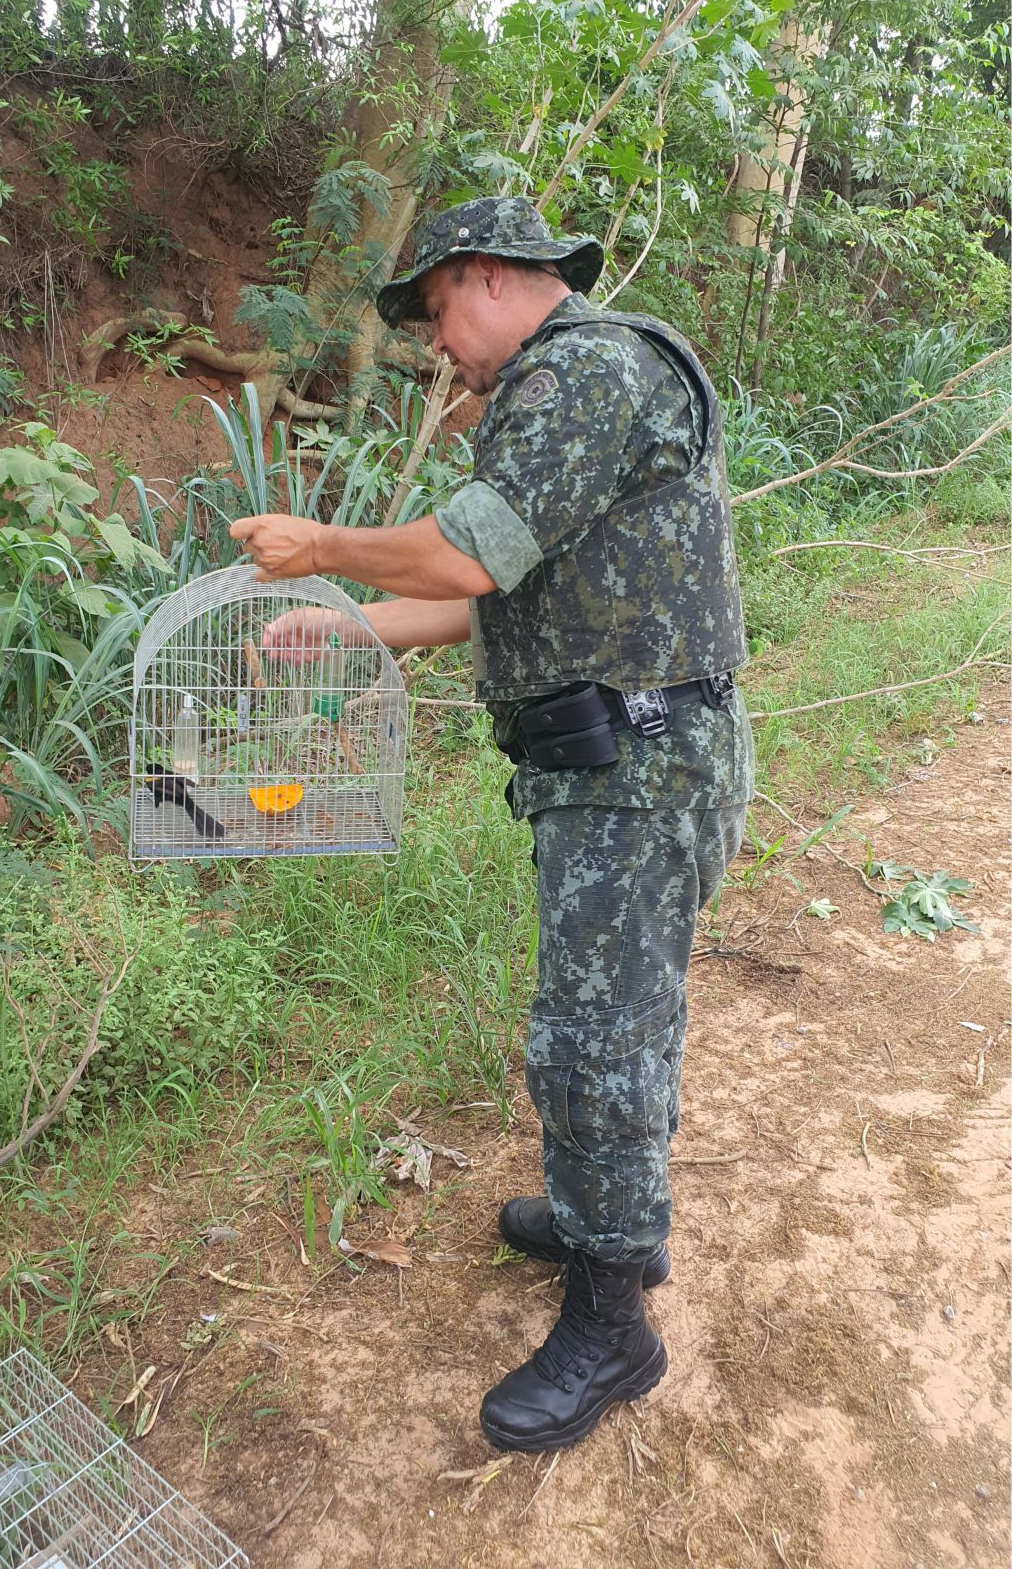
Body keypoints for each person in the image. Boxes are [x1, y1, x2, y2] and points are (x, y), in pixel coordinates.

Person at [229, 195, 754, 1455]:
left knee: (593, 1043)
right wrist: (347, 631)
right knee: (608, 1024)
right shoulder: (570, 389)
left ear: (481, 278)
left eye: (433, 320)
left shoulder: (582, 370)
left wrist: (321, 550)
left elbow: (466, 557)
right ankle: (602, 1221)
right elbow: (494, 595)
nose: (437, 351)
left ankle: (612, 1325)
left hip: (637, 767)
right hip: (612, 763)